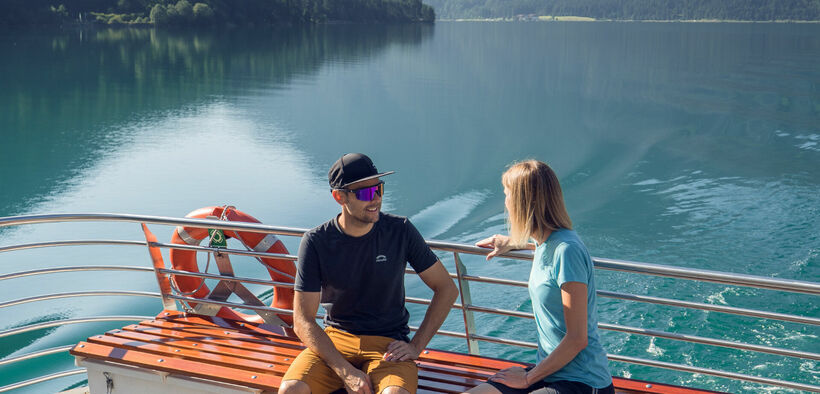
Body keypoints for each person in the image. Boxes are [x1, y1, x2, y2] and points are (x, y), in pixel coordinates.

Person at [280, 153, 459, 394]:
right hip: (336, 340)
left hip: (388, 343)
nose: (375, 199)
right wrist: (345, 371)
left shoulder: (400, 230)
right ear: (339, 197)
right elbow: (302, 321)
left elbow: (446, 288)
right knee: (291, 389)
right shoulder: (316, 241)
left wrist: (416, 345)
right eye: (364, 193)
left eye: (379, 189)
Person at [467, 160, 614, 394]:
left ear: (522, 202)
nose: (504, 202)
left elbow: (577, 339)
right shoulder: (546, 242)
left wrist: (527, 379)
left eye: (507, 194)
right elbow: (544, 248)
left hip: (582, 382)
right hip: (548, 371)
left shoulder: (568, 251)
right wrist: (513, 243)